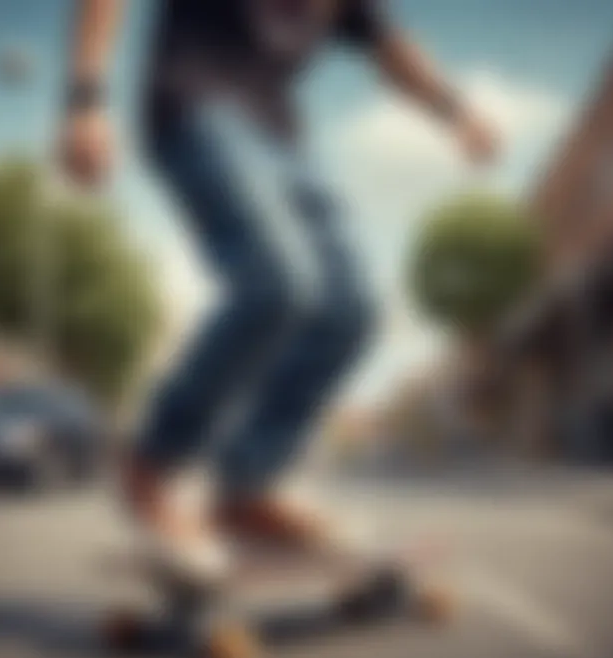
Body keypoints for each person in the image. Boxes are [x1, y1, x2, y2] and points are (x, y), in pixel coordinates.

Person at [60, 0, 498, 579]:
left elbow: (391, 49)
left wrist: (455, 111)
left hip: (283, 139)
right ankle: (152, 465)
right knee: (278, 281)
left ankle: (248, 488)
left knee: (352, 308)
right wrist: (86, 99)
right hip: (195, 106)